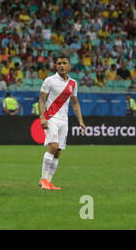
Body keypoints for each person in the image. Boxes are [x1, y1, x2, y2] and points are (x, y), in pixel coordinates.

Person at [38, 55, 86, 190]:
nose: (61, 65)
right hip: (51, 117)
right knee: (53, 146)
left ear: (69, 66)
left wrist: (81, 121)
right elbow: (41, 100)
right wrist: (42, 117)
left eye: (64, 63)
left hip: (64, 120)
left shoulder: (73, 84)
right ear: (56, 66)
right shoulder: (49, 81)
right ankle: (43, 179)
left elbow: (75, 103)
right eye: (59, 63)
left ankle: (49, 182)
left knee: (58, 151)